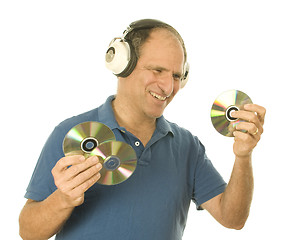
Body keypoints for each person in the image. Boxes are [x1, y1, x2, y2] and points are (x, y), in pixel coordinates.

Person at [19, 19, 266, 240]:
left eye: (177, 76)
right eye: (157, 70)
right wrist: (63, 199)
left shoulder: (187, 146)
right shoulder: (72, 133)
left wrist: (243, 156)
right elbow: (28, 232)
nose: (168, 86)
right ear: (123, 64)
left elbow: (232, 219)